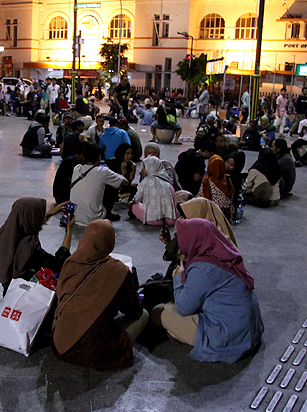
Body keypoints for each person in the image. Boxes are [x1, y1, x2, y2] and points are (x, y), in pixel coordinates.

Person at [151, 218, 263, 363]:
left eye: (180, 236)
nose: (179, 240)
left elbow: (184, 308)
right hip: (247, 331)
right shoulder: (221, 253)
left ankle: (186, 336)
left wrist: (178, 277)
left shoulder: (203, 269)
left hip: (228, 338)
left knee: (158, 311)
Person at [52, 219, 147, 369]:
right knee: (144, 315)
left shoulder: (71, 262)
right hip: (98, 352)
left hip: (61, 347)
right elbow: (134, 312)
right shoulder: (118, 271)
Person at [0, 197, 74, 294]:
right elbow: (59, 263)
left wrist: (51, 212)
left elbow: (29, 222)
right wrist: (69, 232)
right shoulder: (30, 249)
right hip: (27, 297)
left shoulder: (7, 233)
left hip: (10, 292)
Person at [70, 143, 128, 224]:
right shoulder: (103, 171)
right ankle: (108, 213)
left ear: (83, 157)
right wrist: (110, 171)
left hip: (74, 218)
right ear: (98, 158)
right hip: (93, 219)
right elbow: (125, 182)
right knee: (111, 185)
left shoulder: (77, 168)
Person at [129, 156, 176, 225]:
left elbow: (137, 199)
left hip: (151, 219)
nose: (142, 170)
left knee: (135, 205)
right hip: (170, 221)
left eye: (144, 167)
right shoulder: (168, 184)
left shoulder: (145, 182)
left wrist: (131, 203)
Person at [198, 149, 234, 219]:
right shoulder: (227, 178)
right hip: (227, 214)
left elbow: (202, 198)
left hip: (213, 214)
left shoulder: (207, 181)